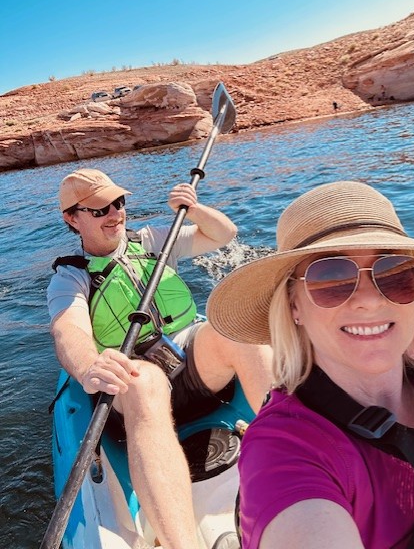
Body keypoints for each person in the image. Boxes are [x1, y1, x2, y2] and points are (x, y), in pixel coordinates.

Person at [207, 180, 414, 549]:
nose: (370, 300)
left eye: (395, 273)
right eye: (331, 277)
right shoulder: (285, 448)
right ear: (294, 305)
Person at [47, 167, 273, 549]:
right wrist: (88, 367)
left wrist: (195, 209)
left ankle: (298, 458)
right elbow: (68, 330)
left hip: (187, 361)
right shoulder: (71, 278)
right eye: (99, 210)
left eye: (118, 203)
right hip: (136, 381)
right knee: (145, 382)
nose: (115, 214)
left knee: (236, 332)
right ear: (72, 218)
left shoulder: (153, 239)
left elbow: (224, 234)